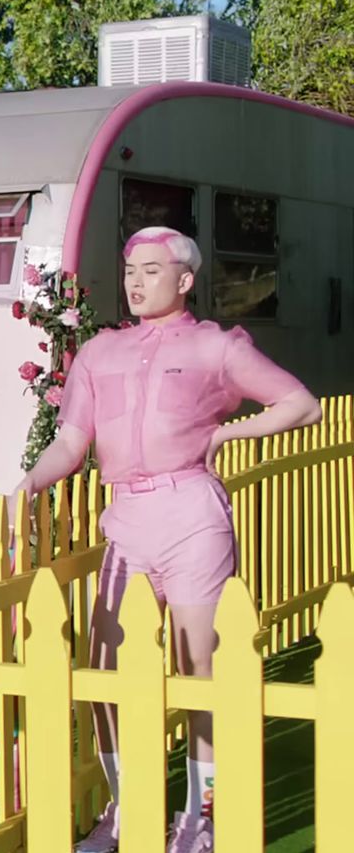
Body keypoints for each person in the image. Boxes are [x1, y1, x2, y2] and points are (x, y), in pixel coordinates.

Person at [18, 227, 321, 853]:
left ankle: (201, 818)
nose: (135, 282)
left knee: (199, 666)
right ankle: (127, 811)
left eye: (152, 271)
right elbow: (72, 442)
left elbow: (301, 403)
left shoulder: (217, 346)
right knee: (105, 668)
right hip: (125, 518)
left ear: (184, 280)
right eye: (131, 269)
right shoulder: (100, 352)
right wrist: (31, 482)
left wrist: (227, 436)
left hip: (191, 515)